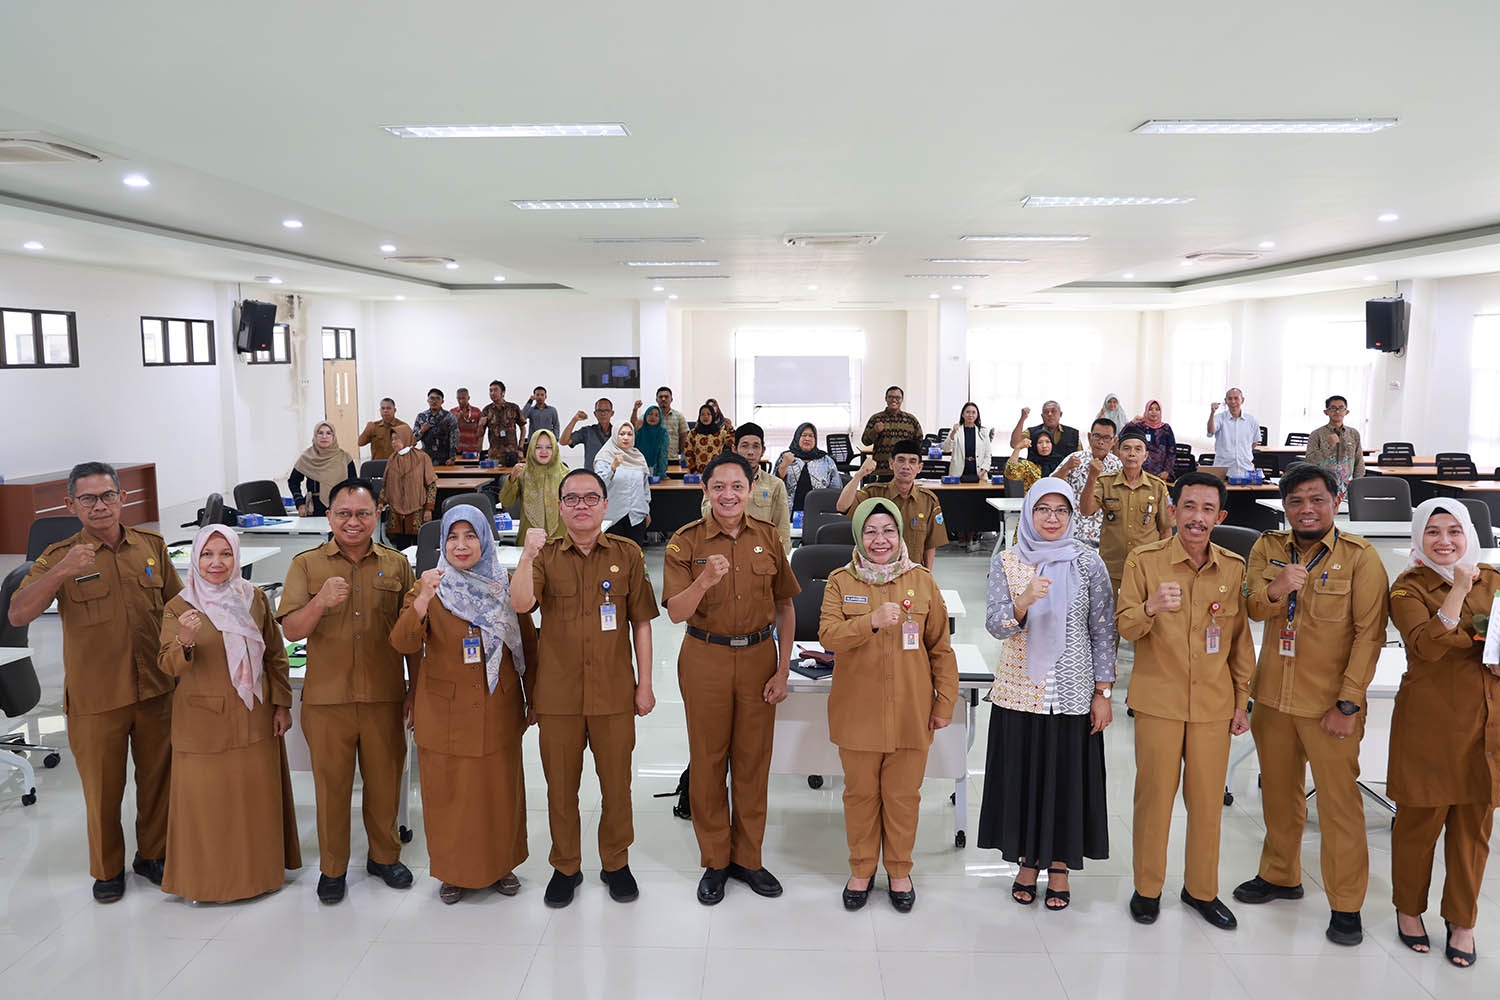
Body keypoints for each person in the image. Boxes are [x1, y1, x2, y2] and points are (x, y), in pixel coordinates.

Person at [1233, 464, 1389, 947]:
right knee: (1279, 795)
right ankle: (1282, 875)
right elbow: (1253, 607)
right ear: (1284, 506)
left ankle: (1347, 905)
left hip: (1328, 704)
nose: (1306, 509)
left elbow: (1370, 635)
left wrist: (1348, 703)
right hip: (1274, 697)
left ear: (1336, 501)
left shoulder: (1361, 558)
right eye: (1296, 501)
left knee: (1339, 805)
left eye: (1316, 499)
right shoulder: (1267, 548)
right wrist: (1279, 589)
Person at [10, 462, 180, 902]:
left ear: (122, 498)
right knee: (103, 790)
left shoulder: (151, 546)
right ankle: (107, 871)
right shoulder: (58, 555)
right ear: (71, 505)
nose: (99, 506)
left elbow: (178, 606)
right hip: (97, 696)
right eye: (88, 499)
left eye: (107, 496)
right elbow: (17, 613)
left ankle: (153, 856)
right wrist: (61, 571)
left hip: (155, 689)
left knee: (158, 779)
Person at [1115, 471, 1255, 931]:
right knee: (1154, 798)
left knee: (1207, 802)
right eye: (1189, 507)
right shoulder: (1144, 561)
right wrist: (1151, 607)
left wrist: (1242, 699)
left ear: (1221, 516)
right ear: (1173, 510)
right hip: (1159, 700)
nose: (1197, 518)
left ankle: (1201, 890)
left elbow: (1239, 642)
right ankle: (1148, 888)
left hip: (1214, 705)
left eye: (1207, 509)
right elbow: (1125, 627)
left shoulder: (1233, 568)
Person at [512, 470, 658, 907]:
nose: (581, 506)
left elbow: (642, 623)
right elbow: (521, 604)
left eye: (590, 498)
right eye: (571, 499)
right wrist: (525, 556)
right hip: (557, 693)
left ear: (604, 505)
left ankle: (616, 862)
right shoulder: (545, 555)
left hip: (613, 691)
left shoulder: (627, 554)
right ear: (559, 507)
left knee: (617, 785)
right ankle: (566, 866)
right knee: (560, 786)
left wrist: (645, 684)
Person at [664, 452, 800, 906]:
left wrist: (782, 669)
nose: (728, 495)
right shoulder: (685, 543)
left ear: (750, 490)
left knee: (752, 761)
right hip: (705, 656)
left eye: (736, 487)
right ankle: (716, 860)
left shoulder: (767, 537)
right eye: (718, 486)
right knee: (707, 760)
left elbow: (785, 605)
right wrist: (702, 581)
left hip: (760, 657)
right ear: (706, 491)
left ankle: (749, 857)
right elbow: (675, 612)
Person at [277, 478, 417, 905]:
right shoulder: (306, 565)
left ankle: (384, 857)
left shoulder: (395, 565)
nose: (353, 522)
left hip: (384, 695)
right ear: (329, 516)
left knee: (384, 782)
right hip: (327, 699)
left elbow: (413, 635)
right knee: (331, 787)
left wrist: (416, 688)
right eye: (343, 513)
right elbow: (290, 628)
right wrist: (319, 603)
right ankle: (333, 868)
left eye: (362, 513)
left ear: (378, 515)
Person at [978, 479, 1116, 909]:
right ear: (1029, 514)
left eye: (1061, 510)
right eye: (1043, 509)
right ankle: (1026, 862)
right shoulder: (1007, 562)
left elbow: (1103, 630)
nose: (1052, 518)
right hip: (1022, 691)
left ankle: (1059, 864)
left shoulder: (1089, 563)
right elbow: (996, 625)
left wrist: (1104, 692)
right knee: (1025, 777)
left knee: (1066, 780)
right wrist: (1022, 601)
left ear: (1073, 515)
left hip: (1074, 693)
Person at [390, 505, 537, 904]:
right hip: (445, 711)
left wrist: (534, 696)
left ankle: (502, 864)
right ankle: (453, 871)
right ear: (442, 543)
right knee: (448, 794)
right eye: (452, 537)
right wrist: (422, 598)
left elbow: (527, 643)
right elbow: (402, 643)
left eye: (470, 536)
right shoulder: (430, 587)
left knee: (500, 791)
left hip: (499, 705)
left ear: (485, 540)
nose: (461, 545)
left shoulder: (503, 586)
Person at [819, 497, 958, 913]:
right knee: (860, 795)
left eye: (888, 531)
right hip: (857, 711)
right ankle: (861, 869)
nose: (880, 540)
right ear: (859, 537)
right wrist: (870, 622)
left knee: (902, 797)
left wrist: (946, 702)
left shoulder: (922, 581)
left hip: (911, 710)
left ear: (900, 535)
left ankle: (899, 869)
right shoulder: (841, 581)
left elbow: (941, 649)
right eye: (870, 532)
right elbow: (828, 636)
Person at [158, 525, 300, 902]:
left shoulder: (252, 597)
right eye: (207, 554)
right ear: (195, 559)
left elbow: (274, 654)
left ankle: (260, 877)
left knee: (253, 802)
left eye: (225, 554)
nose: (216, 563)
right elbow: (168, 666)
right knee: (209, 807)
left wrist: (282, 703)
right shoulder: (180, 605)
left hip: (254, 714)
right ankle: (208, 884)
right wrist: (184, 639)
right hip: (203, 725)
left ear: (237, 557)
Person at [1387, 499, 1500, 969]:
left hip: (1485, 721)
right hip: (1429, 723)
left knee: (1473, 831)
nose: (1445, 541)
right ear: (1419, 537)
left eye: (1454, 530)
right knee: (1419, 825)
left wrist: (1479, 640)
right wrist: (1458, 592)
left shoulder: (1495, 580)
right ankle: (1409, 911)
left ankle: (1462, 920)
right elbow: (1428, 647)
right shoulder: (1406, 588)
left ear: (1469, 532)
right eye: (1433, 532)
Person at [1080, 429, 1173, 594]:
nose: (1132, 453)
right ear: (1118, 453)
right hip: (1112, 568)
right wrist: (1092, 477)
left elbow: (1165, 529)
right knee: (1110, 616)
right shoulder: (1105, 482)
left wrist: (1164, 565)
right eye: (1127, 448)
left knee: (1143, 614)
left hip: (1146, 567)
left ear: (1145, 456)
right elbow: (1086, 510)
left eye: (1138, 449)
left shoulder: (1157, 486)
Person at [837, 440, 949, 570]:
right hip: (875, 573)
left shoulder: (928, 500)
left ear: (920, 467)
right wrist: (859, 475)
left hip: (910, 573)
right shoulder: (873, 493)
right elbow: (842, 506)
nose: (906, 466)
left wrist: (926, 575)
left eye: (912, 461)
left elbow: (930, 544)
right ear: (891, 463)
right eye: (901, 460)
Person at [701, 423, 791, 555]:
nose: (750, 452)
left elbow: (782, 527)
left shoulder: (775, 485)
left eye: (756, 446)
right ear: (734, 449)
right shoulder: (718, 481)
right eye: (744, 446)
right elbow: (706, 514)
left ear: (763, 450)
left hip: (761, 553)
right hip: (723, 551)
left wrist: (782, 560)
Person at [1053, 418, 1122, 549]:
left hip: (1104, 537)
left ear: (1114, 441)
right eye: (1097, 436)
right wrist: (1065, 468)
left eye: (1107, 438)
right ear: (1090, 437)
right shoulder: (1074, 459)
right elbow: (1050, 486)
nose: (1101, 442)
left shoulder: (1118, 466)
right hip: (1072, 533)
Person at [500, 429, 569, 541]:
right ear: (531, 449)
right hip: (528, 541)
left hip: (560, 540)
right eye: (538, 447)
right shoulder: (523, 473)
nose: (544, 451)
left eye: (549, 447)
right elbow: (506, 501)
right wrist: (512, 478)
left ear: (555, 449)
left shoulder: (566, 475)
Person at [595, 423, 652, 545]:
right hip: (613, 517)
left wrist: (646, 511)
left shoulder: (638, 457)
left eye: (629, 434)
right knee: (613, 559)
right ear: (615, 435)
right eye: (622, 434)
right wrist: (613, 467)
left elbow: (644, 488)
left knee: (634, 556)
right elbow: (599, 486)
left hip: (636, 517)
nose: (626, 437)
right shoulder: (604, 457)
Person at [382, 425, 436, 551]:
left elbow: (432, 485)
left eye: (397, 439)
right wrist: (381, 503)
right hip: (396, 511)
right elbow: (386, 485)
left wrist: (429, 509)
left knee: (419, 547)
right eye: (392, 439)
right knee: (400, 548)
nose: (394, 443)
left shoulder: (422, 457)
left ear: (406, 438)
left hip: (417, 510)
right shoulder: (392, 459)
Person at [290, 421, 357, 517]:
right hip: (314, 510)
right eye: (320, 433)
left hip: (341, 508)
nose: (324, 437)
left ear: (333, 437)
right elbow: (293, 481)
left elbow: (354, 484)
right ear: (315, 436)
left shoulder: (344, 457)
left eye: (328, 433)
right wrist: (300, 503)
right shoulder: (306, 457)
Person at [1303, 395, 1366, 496]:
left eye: (1341, 408)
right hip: (1322, 486)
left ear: (1346, 412)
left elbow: (1359, 461)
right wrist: (1329, 446)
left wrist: (1357, 484)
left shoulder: (1353, 434)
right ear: (1326, 412)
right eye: (1333, 408)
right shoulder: (1317, 434)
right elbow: (1310, 461)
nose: (1337, 411)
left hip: (1347, 486)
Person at [775, 422, 842, 514]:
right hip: (787, 513)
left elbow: (836, 490)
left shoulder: (826, 460)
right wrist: (784, 464)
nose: (807, 438)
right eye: (804, 435)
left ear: (815, 440)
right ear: (797, 437)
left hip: (820, 513)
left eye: (811, 436)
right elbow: (775, 485)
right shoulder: (786, 456)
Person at [861, 386, 923, 476]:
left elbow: (919, 442)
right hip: (882, 470)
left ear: (902, 400)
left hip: (905, 471)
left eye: (897, 398)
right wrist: (874, 431)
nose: (894, 400)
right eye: (891, 397)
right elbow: (865, 441)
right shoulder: (876, 418)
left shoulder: (911, 420)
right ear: (886, 399)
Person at [1207, 388, 1260, 478]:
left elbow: (1255, 442)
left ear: (1242, 400)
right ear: (1225, 401)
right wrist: (1212, 413)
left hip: (1245, 469)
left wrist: (1242, 452)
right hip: (1223, 470)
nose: (1233, 401)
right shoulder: (1219, 418)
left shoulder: (1251, 420)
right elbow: (1211, 430)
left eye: (1236, 398)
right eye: (1230, 398)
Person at [1121, 400, 1178, 482]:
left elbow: (1172, 452)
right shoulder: (1139, 426)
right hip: (1138, 471)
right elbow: (1122, 437)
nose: (1154, 412)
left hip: (1160, 474)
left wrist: (1167, 471)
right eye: (1150, 409)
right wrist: (1131, 423)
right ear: (1146, 411)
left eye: (1157, 409)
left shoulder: (1166, 428)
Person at [1010, 402, 1080, 467]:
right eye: (1046, 412)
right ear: (1042, 416)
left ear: (1060, 414)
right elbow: (1014, 444)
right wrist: (1022, 419)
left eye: (1053, 411)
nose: (1050, 414)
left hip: (1066, 476)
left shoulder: (1073, 434)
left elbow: (1081, 458)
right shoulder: (1031, 432)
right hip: (1035, 475)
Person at [562, 398, 616, 470]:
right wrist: (574, 420)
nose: (603, 413)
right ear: (595, 413)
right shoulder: (587, 432)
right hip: (591, 477)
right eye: (599, 411)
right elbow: (563, 441)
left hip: (612, 476)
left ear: (612, 413)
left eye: (606, 411)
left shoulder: (617, 432)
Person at [639, 386, 690, 463]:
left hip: (672, 459)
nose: (663, 399)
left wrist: (683, 456)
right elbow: (636, 427)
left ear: (671, 399)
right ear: (657, 400)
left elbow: (684, 437)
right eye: (661, 397)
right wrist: (635, 410)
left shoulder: (679, 416)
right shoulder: (649, 416)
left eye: (666, 397)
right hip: (653, 459)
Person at [481, 380, 526, 465]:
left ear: (503, 393)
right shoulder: (487, 410)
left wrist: (520, 448)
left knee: (512, 477)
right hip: (493, 456)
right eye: (490, 391)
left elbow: (523, 429)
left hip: (511, 454)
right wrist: (480, 425)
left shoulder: (513, 408)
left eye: (495, 390)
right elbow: (480, 434)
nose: (492, 393)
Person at [945, 401, 993, 482]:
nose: (970, 415)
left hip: (978, 474)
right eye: (967, 412)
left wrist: (982, 473)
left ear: (977, 415)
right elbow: (946, 448)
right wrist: (953, 432)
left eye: (973, 412)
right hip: (958, 474)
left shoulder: (983, 431)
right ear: (962, 415)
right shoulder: (956, 430)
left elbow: (988, 455)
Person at [682, 403, 734, 475]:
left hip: (717, 472)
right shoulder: (693, 433)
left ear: (713, 416)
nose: (705, 416)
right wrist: (693, 469)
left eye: (708, 414)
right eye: (702, 414)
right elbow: (688, 452)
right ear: (699, 416)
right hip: (697, 473)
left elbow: (732, 442)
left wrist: (730, 428)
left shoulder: (720, 433)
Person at [414, 388, 459, 467]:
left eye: (438, 398)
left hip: (444, 459)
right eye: (432, 398)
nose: (434, 401)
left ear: (442, 401)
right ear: (428, 400)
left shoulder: (450, 417)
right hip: (425, 459)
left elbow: (454, 438)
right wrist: (422, 430)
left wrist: (452, 457)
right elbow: (413, 439)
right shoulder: (421, 417)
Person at [634, 405, 672, 478]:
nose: (653, 417)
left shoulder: (663, 433)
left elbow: (663, 455)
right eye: (650, 414)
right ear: (645, 416)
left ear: (660, 418)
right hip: (637, 469)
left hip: (655, 470)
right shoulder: (639, 430)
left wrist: (662, 474)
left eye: (656, 415)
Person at [451, 387, 484, 456]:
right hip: (457, 449)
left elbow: (481, 431)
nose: (461, 401)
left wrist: (480, 445)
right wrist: (458, 419)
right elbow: (449, 431)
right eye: (459, 398)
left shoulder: (476, 411)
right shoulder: (452, 412)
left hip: (472, 449)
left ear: (468, 398)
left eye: (463, 398)